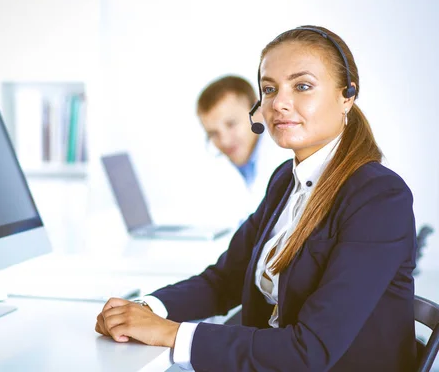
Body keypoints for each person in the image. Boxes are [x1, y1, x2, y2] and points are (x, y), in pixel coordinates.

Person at [95, 25, 417, 371]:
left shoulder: (379, 198)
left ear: (347, 95)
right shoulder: (284, 180)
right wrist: (147, 309)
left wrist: (172, 334)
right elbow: (226, 280)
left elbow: (309, 350)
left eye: (302, 86)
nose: (278, 103)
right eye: (269, 89)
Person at [195, 75, 292, 223]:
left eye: (231, 124)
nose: (225, 141)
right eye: (213, 133)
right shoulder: (238, 163)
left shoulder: (285, 157)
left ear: (258, 112)